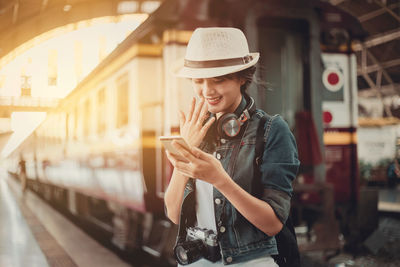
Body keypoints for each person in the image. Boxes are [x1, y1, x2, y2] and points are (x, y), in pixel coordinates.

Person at [164, 27, 299, 266]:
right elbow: (173, 213)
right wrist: (184, 152)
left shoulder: (271, 130)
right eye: (198, 80)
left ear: (243, 77)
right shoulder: (194, 131)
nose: (207, 91)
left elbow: (273, 224)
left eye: (219, 79)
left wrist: (220, 180)